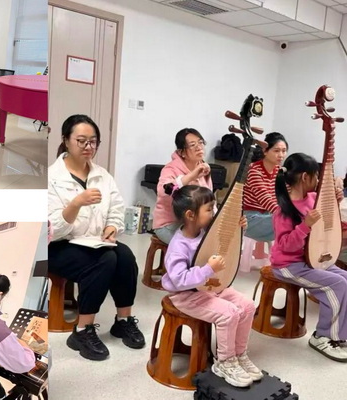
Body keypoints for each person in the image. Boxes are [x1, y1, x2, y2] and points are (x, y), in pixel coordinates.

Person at [48, 114, 145, 361]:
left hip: (94, 242)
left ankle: (123, 320)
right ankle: (82, 330)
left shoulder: (103, 175)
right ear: (66, 140)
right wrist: (76, 203)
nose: (88, 146)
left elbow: (116, 208)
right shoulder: (52, 178)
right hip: (58, 246)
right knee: (104, 260)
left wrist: (112, 226)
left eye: (93, 141)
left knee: (125, 255)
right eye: (81, 141)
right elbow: (52, 230)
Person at [161, 183, 262, 387]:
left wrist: (238, 229)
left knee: (248, 306)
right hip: (185, 295)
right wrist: (208, 269)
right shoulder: (179, 246)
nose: (214, 213)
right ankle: (225, 362)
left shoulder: (206, 231)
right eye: (209, 209)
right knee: (229, 314)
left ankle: (239, 354)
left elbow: (227, 246)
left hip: (211, 287)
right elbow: (179, 279)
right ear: (190, 215)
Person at [270, 153, 347, 361]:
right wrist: (305, 226)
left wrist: (335, 202)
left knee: (345, 278)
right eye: (316, 176)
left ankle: (340, 333)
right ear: (305, 177)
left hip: (311, 259)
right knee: (337, 285)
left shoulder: (313, 198)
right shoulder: (283, 211)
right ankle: (322, 336)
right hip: (288, 264)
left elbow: (325, 224)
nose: (318, 180)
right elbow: (285, 246)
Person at [153, 128, 213, 244]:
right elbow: (164, 192)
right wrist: (191, 176)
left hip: (195, 223)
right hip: (169, 224)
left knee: (216, 242)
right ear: (182, 152)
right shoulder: (171, 169)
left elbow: (209, 198)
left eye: (201, 142)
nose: (199, 147)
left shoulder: (204, 167)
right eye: (192, 145)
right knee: (196, 248)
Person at [242, 132, 288, 242]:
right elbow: (265, 199)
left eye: (284, 151)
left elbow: (287, 192)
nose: (281, 155)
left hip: (267, 215)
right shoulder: (254, 171)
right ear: (265, 151)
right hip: (250, 218)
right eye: (276, 151)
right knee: (288, 223)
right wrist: (286, 215)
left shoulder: (278, 170)